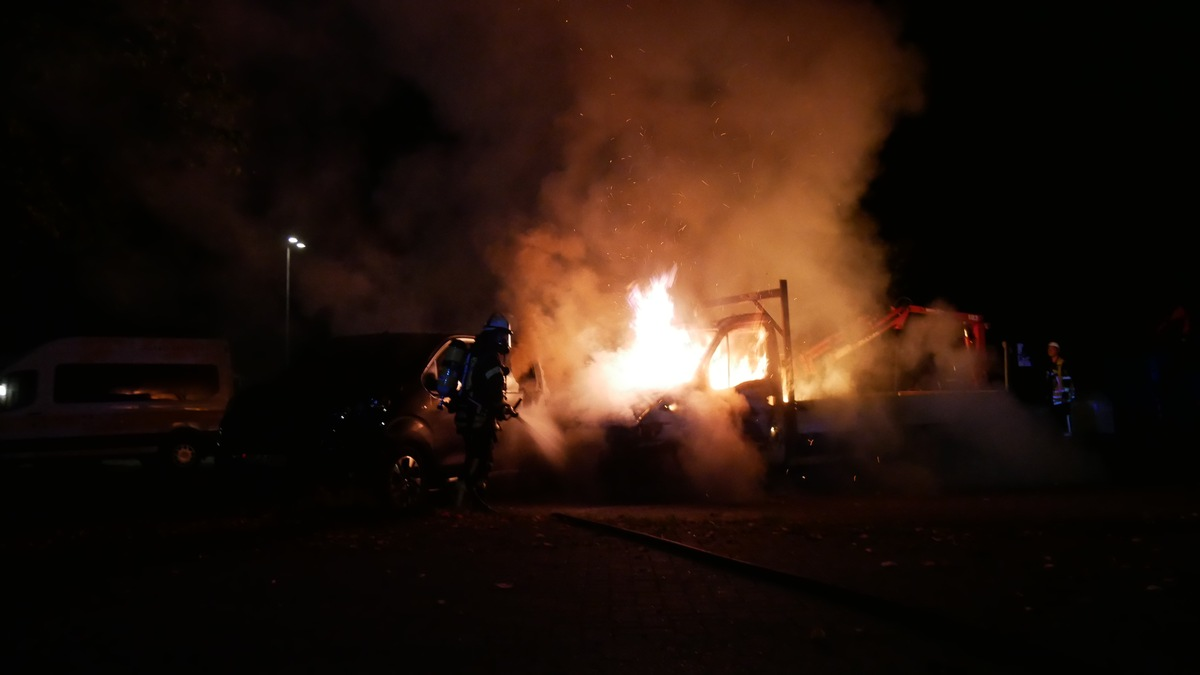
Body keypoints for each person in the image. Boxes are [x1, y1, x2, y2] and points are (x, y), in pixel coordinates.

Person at [451, 313, 518, 510]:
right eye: (504, 336)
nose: (505, 341)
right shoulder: (489, 359)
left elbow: (476, 387)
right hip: (479, 417)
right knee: (480, 458)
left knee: (474, 455)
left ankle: (471, 500)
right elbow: (491, 392)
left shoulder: (475, 352)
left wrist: (499, 406)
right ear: (497, 335)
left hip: (468, 414)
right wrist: (501, 407)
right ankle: (462, 500)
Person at [1046, 341, 1075, 437]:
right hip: (1054, 395)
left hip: (1063, 394)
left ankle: (1068, 433)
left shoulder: (1063, 363)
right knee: (1056, 414)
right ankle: (1058, 433)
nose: (1049, 350)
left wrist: (1066, 393)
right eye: (1049, 348)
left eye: (1052, 348)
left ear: (1057, 350)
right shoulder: (1049, 364)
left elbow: (1067, 379)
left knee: (1065, 413)